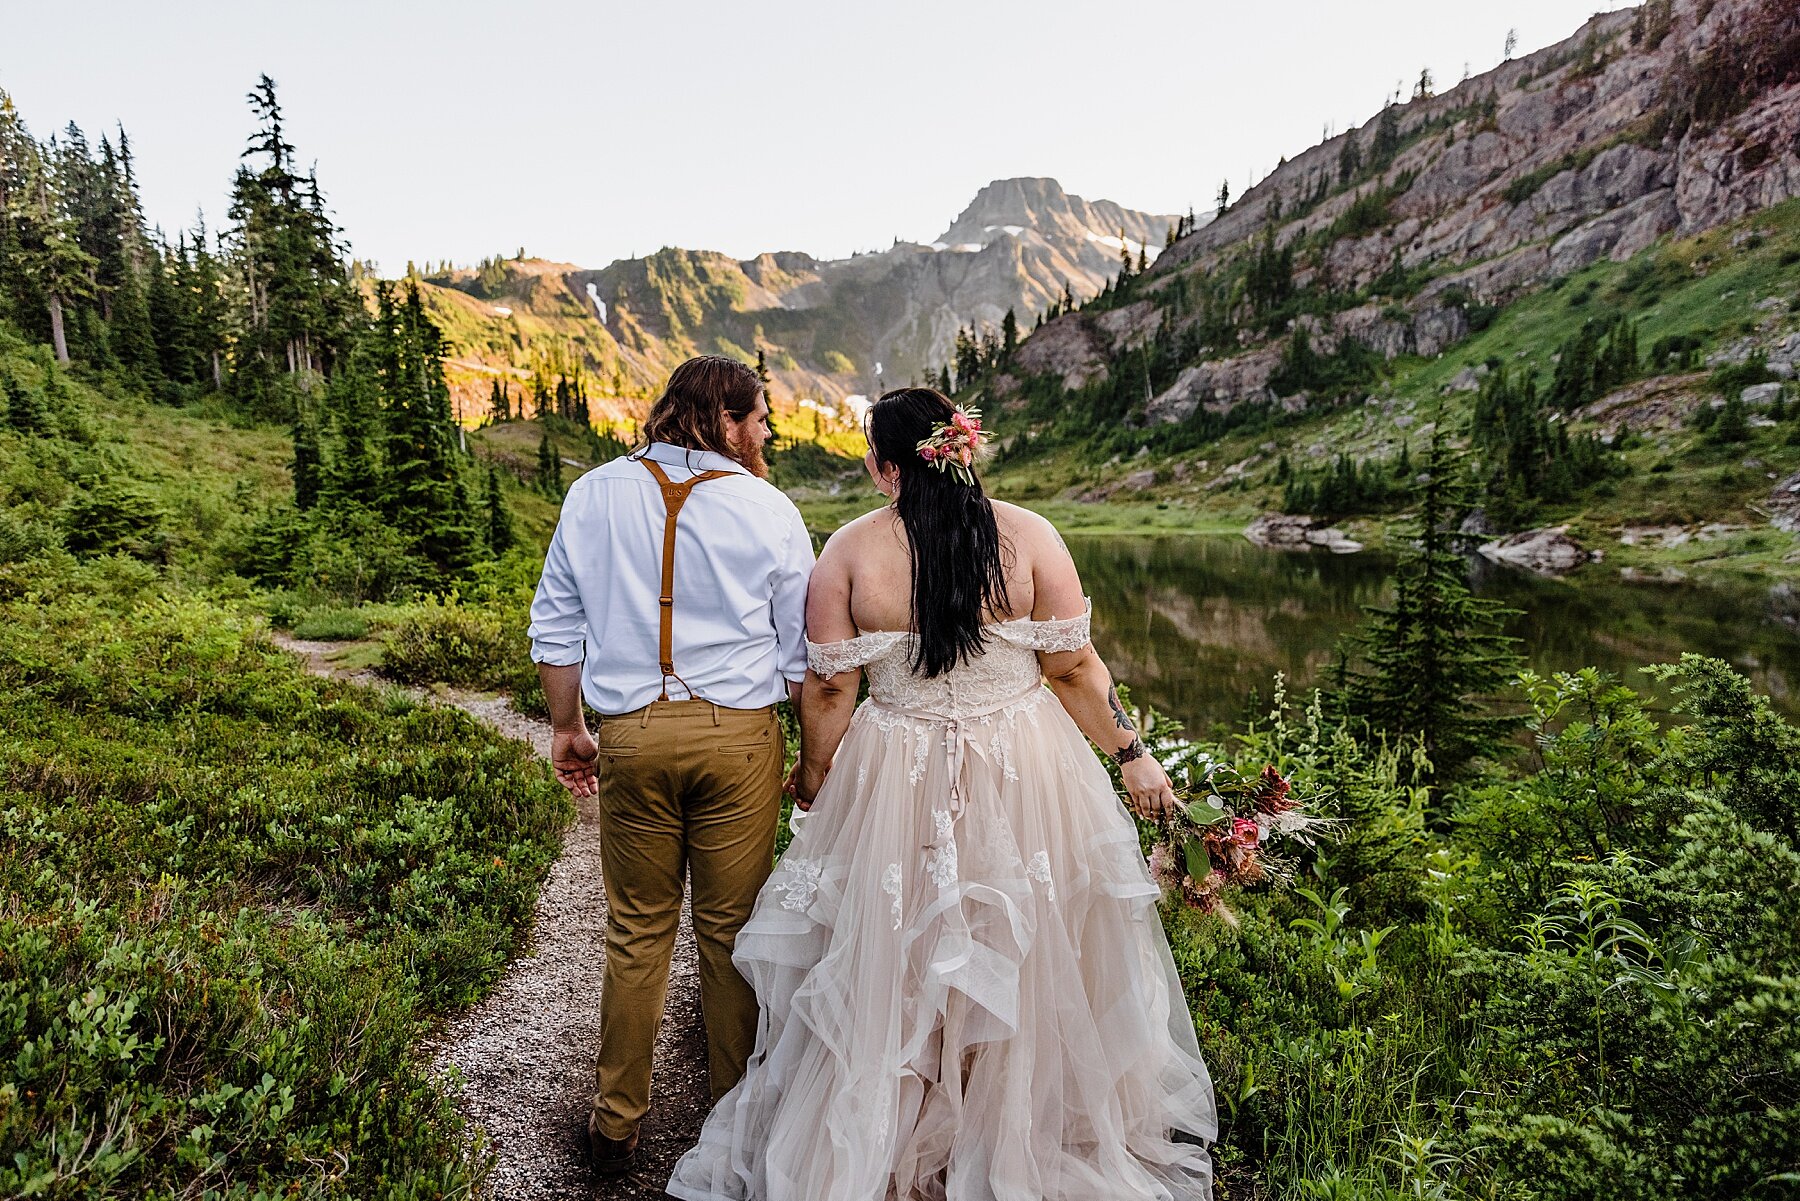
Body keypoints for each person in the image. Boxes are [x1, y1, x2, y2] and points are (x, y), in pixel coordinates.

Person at [668, 388, 1215, 1200]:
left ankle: (893, 1137)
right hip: (1027, 768)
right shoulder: (1030, 536)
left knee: (894, 956)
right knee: (1030, 944)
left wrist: (815, 780)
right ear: (965, 450)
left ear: (883, 466)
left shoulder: (849, 552)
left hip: (896, 774)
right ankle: (1015, 1131)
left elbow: (829, 691)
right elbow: (1073, 669)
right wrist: (1133, 754)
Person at [526, 355, 814, 1176]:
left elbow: (555, 623)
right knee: (729, 937)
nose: (767, 434)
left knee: (636, 929)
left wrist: (567, 726)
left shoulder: (593, 492)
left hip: (632, 734)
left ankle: (615, 1126)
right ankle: (733, 1129)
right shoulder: (769, 506)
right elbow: (800, 657)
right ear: (725, 421)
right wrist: (810, 758)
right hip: (739, 741)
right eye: (759, 419)